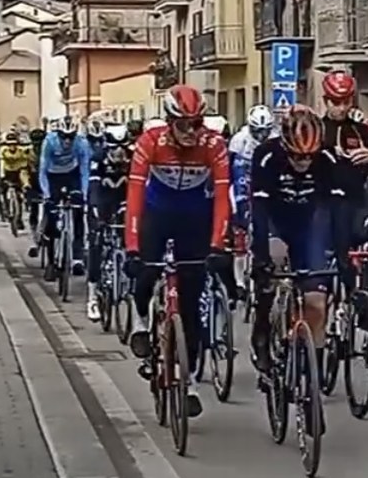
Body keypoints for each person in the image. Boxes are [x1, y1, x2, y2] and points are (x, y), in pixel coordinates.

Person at [124, 84, 230, 420]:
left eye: (196, 123)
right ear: (170, 121)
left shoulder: (214, 145)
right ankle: (141, 320)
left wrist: (217, 244)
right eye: (183, 124)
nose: (190, 131)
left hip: (195, 218)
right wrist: (132, 246)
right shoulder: (150, 142)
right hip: (157, 214)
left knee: (191, 305)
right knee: (145, 273)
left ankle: (190, 383)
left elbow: (223, 200)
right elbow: (135, 197)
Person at [248, 106, 335, 375]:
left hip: (308, 226)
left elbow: (334, 210)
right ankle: (262, 331)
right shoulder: (267, 156)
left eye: (310, 156)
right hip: (275, 220)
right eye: (297, 156)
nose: (304, 162)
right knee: (271, 264)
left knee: (316, 302)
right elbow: (259, 211)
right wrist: (261, 255)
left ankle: (313, 367)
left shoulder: (327, 159)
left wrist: (339, 252)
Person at [320, 71, 368, 294]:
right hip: (324, 201)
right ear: (326, 101)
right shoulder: (317, 129)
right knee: (334, 251)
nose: (341, 108)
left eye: (346, 102)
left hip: (356, 200)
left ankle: (365, 292)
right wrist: (325, 153)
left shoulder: (361, 130)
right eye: (336, 102)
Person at [31, 116, 92, 278]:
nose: (67, 141)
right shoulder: (49, 142)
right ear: (58, 134)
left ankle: (77, 258)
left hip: (72, 175)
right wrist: (47, 194)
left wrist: (84, 194)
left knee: (78, 213)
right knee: (52, 218)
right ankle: (51, 262)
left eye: (70, 137)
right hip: (52, 176)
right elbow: (42, 170)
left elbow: (85, 170)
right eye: (63, 137)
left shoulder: (82, 143)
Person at [85, 124, 129, 321]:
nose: (119, 154)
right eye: (114, 150)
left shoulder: (133, 157)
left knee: (130, 241)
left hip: (122, 199)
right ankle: (92, 297)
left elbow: (138, 185)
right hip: (101, 199)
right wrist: (94, 209)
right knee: (96, 245)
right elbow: (93, 186)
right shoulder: (97, 157)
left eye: (122, 149)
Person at [229, 105, 274, 233]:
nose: (260, 136)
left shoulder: (275, 138)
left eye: (265, 132)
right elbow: (231, 164)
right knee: (235, 199)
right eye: (257, 131)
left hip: (265, 178)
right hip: (245, 176)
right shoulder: (239, 139)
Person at [0, 127, 35, 222]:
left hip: (18, 172)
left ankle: (19, 218)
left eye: (14, 144)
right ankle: (4, 210)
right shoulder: (3, 150)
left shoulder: (21, 150)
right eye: (10, 144)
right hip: (7, 172)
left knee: (19, 197)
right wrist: (1, 174)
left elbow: (29, 155)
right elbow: (1, 162)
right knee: (2, 191)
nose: (12, 146)